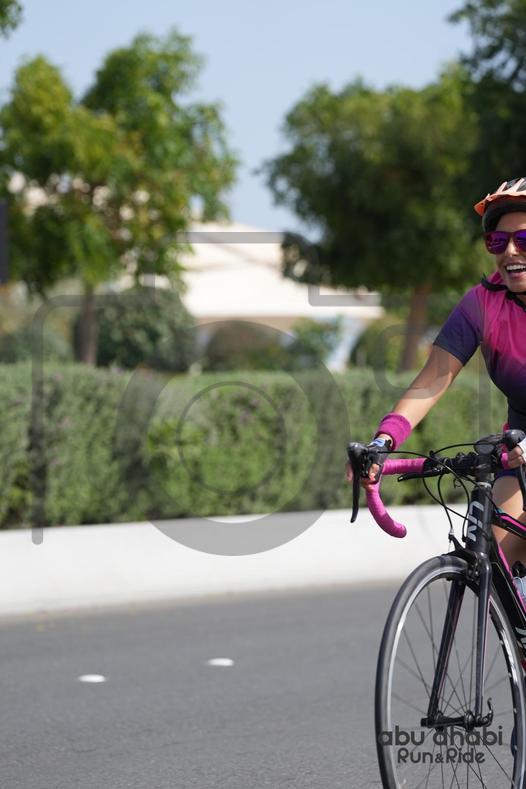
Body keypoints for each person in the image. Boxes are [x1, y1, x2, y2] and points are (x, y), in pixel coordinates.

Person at [346, 177, 526, 573]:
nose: (510, 251)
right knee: (497, 548)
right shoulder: (482, 303)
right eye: (498, 241)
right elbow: (430, 382)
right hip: (520, 449)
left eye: (524, 240)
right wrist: (382, 442)